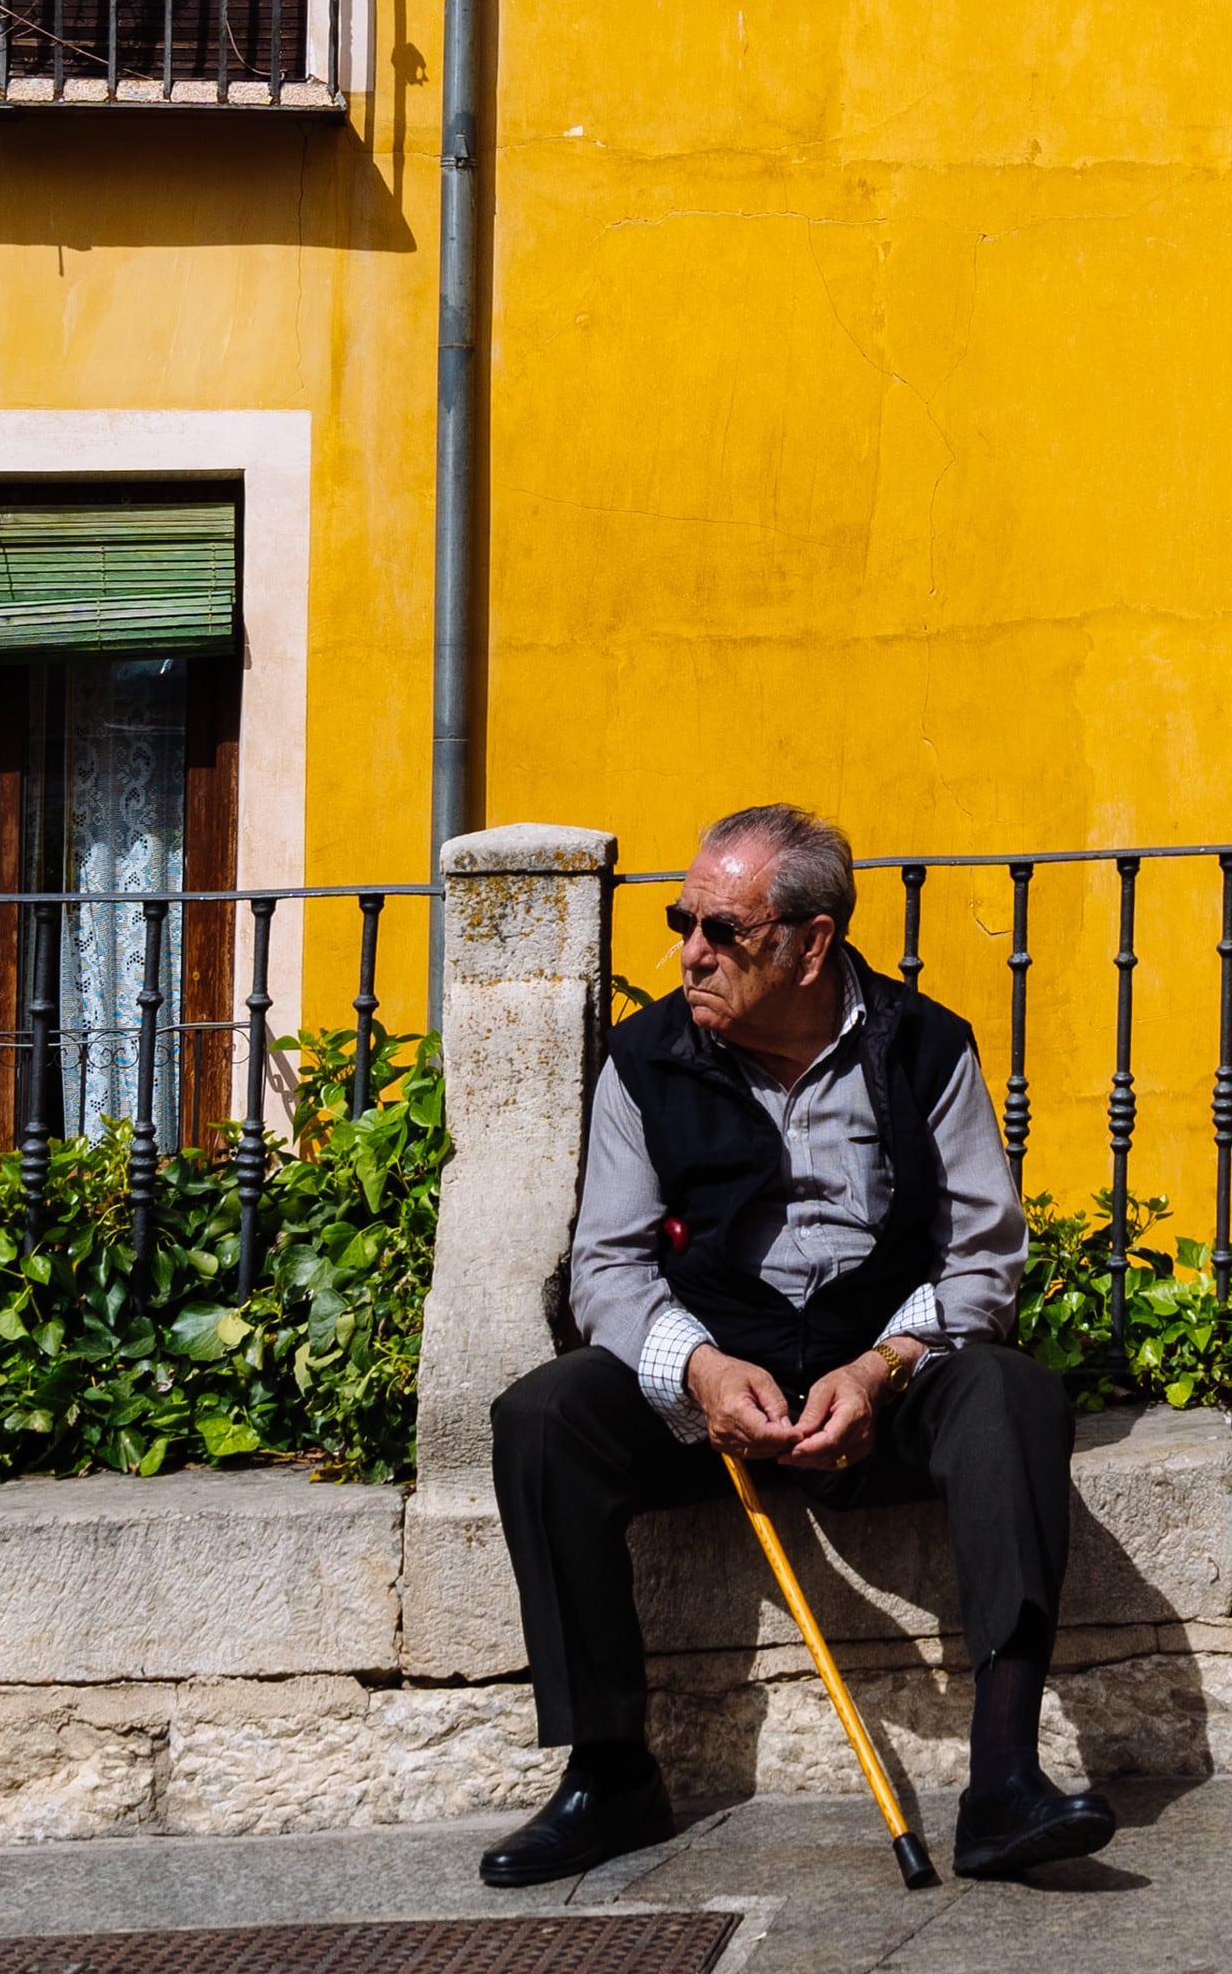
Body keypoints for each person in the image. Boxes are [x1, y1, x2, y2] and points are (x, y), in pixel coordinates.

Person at [477, 801, 1115, 1887]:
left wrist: (877, 1370)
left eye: (722, 931)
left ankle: (1005, 1779)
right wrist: (698, 1368)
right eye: (683, 924)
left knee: (1013, 1397)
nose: (690, 954)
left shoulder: (926, 1046)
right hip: (717, 1385)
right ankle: (608, 1772)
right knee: (540, 1418)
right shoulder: (645, 1062)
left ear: (811, 942)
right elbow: (608, 1270)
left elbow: (981, 1260)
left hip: (885, 1382)